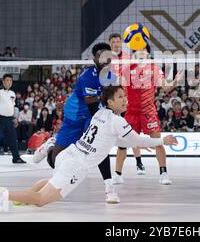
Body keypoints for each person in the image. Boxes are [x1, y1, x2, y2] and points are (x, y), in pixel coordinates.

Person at [0, 86, 178, 212]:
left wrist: (139, 142)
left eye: (125, 96)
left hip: (69, 154)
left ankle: (22, 196)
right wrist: (162, 141)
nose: (125, 100)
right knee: (40, 201)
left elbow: (120, 141)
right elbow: (133, 139)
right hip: (76, 165)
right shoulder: (117, 121)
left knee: (51, 182)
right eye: (120, 97)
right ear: (110, 102)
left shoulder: (100, 114)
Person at [33, 43, 119, 204]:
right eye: (100, 55)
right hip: (76, 114)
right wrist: (105, 119)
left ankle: (109, 188)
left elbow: (113, 100)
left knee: (99, 144)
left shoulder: (112, 77)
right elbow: (91, 104)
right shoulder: (87, 76)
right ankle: (51, 145)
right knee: (56, 162)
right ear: (95, 58)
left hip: (92, 115)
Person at [113, 44, 183, 185]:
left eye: (144, 49)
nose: (142, 51)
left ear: (148, 53)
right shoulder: (126, 69)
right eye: (139, 49)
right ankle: (117, 174)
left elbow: (166, 87)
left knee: (158, 142)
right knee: (122, 145)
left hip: (148, 112)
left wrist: (176, 81)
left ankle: (163, 173)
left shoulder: (154, 69)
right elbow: (116, 88)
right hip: (131, 112)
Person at [109, 33, 145, 175]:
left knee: (132, 133)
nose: (116, 44)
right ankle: (115, 170)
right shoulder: (107, 59)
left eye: (118, 41)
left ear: (121, 43)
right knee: (115, 134)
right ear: (110, 43)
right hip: (112, 102)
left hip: (126, 101)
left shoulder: (129, 59)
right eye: (113, 42)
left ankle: (139, 163)